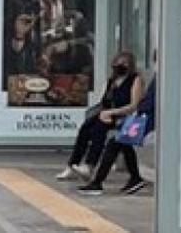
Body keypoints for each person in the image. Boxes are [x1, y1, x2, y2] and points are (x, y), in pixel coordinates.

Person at [57, 51, 143, 181]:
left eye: (124, 63)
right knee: (86, 128)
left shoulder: (135, 79)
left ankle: (89, 165)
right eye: (118, 63)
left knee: (99, 128)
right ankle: (72, 164)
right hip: (106, 112)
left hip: (124, 116)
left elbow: (133, 105)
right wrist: (103, 112)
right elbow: (105, 101)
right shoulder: (112, 81)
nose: (120, 66)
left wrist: (111, 113)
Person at [78, 73, 156, 196]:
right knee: (123, 142)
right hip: (144, 118)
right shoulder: (160, 76)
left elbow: (148, 103)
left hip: (147, 119)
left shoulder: (161, 76)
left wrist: (137, 115)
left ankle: (97, 182)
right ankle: (135, 178)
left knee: (115, 142)